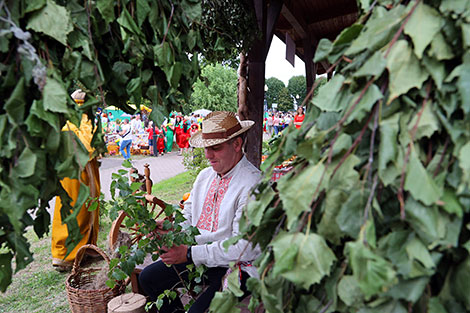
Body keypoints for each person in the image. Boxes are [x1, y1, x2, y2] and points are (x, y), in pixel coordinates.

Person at [139, 111, 261, 313]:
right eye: (206, 148)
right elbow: (188, 216)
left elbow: (244, 248)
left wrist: (188, 253)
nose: (207, 155)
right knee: (148, 278)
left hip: (238, 265)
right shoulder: (205, 176)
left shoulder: (253, 183)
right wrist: (170, 228)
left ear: (237, 145)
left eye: (215, 148)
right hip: (200, 256)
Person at [51, 89, 100, 271]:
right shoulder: (83, 117)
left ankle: (64, 252)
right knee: (81, 210)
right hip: (80, 172)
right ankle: (73, 254)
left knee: (65, 209)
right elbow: (88, 145)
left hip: (65, 171)